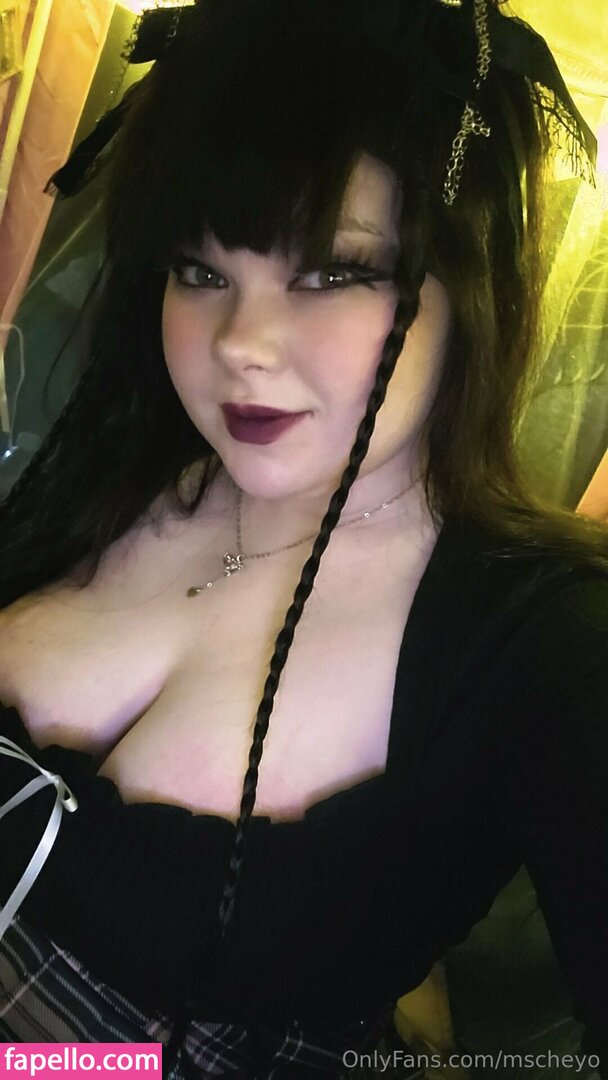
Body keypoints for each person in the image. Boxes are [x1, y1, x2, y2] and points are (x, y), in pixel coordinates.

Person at [0, 0, 607, 1076]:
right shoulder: (115, 465)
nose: (240, 343)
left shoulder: (541, 643)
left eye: (331, 270)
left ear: (466, 287)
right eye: (200, 270)